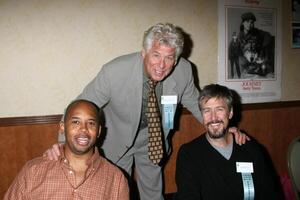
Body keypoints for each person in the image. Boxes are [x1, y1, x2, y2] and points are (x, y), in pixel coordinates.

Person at [45, 23, 248, 200]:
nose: (161, 65)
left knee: (153, 192)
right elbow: (80, 105)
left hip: (153, 140)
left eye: (169, 58)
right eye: (156, 55)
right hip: (117, 139)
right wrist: (64, 145)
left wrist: (222, 127)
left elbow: (197, 103)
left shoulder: (184, 71)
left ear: (176, 59)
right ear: (144, 52)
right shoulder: (115, 71)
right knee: (115, 190)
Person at [4, 100, 129, 199]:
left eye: (91, 123)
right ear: (62, 127)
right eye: (76, 122)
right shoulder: (33, 171)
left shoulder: (115, 179)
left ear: (99, 131)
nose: (84, 129)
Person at [175, 84, 280, 200]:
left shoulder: (250, 149)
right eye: (207, 111)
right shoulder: (189, 154)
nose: (213, 117)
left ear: (230, 113)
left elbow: (270, 193)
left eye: (219, 109)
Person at [238, 12, 275, 77]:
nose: (249, 24)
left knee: (268, 74)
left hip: (258, 61)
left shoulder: (256, 32)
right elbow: (240, 53)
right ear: (243, 23)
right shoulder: (240, 36)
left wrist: (261, 47)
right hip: (246, 64)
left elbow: (268, 35)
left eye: (251, 22)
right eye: (247, 21)